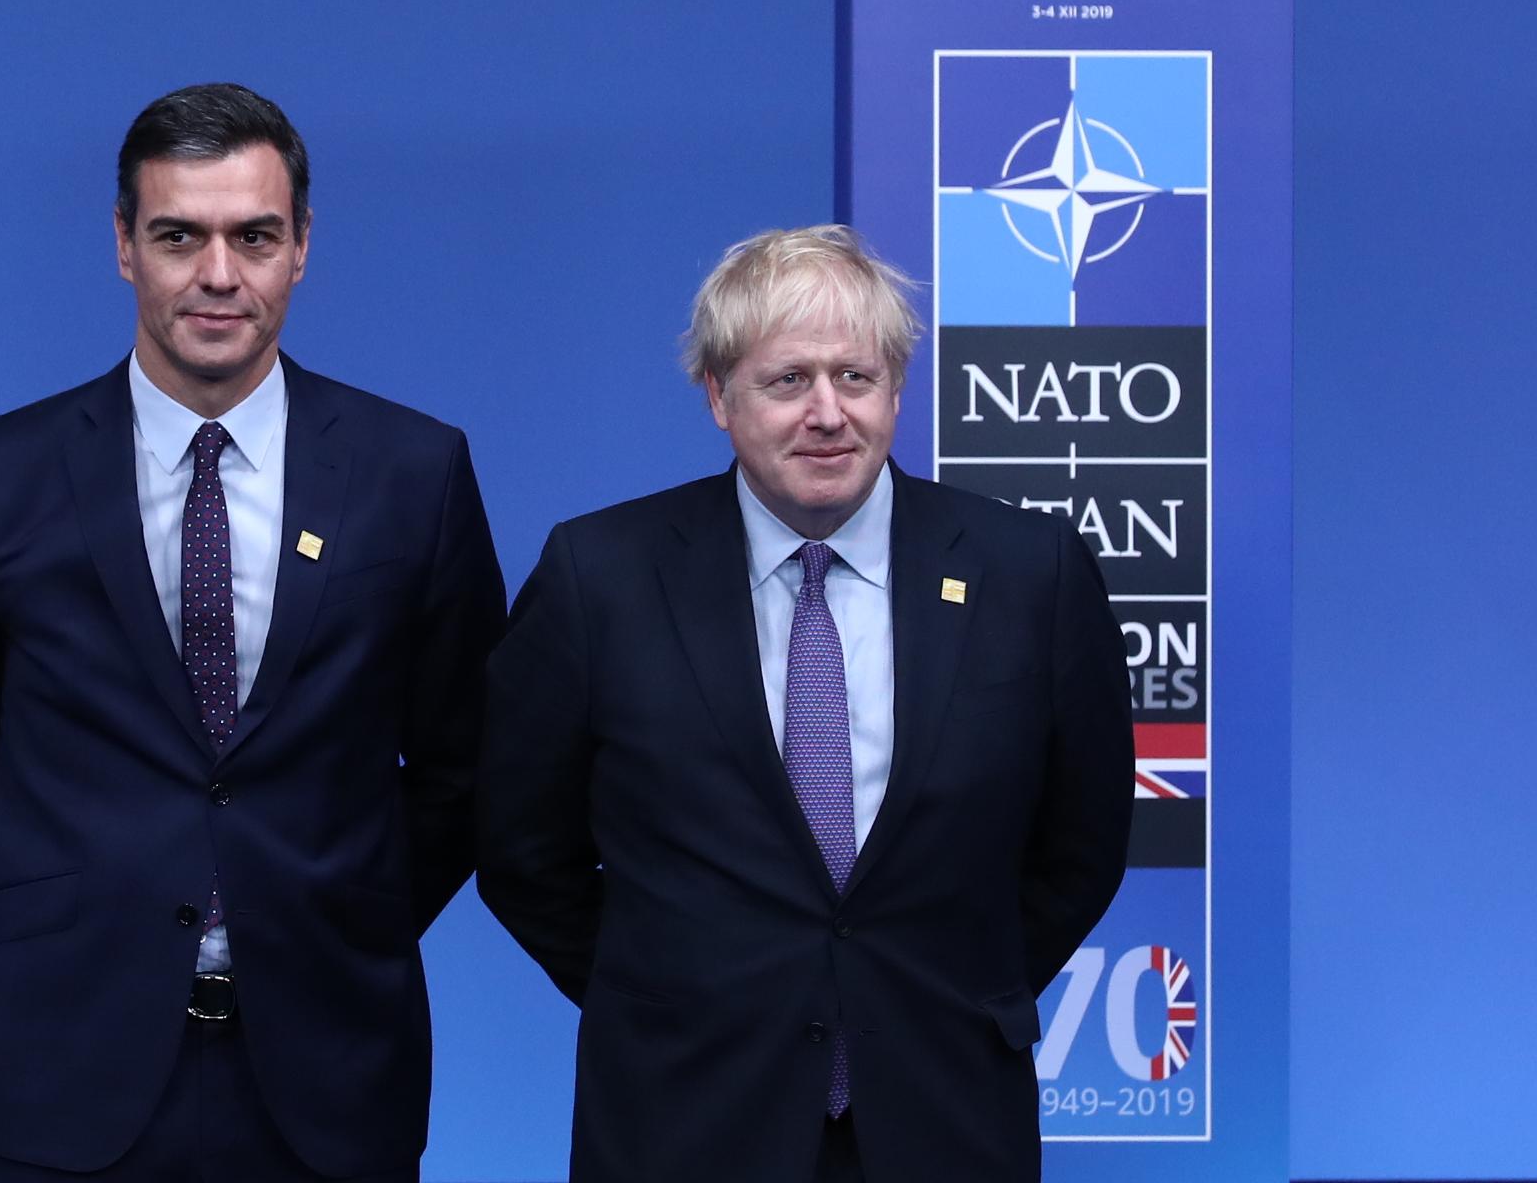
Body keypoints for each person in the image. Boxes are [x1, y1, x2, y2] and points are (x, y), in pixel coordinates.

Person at [0, 83, 507, 1183]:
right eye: (180, 234)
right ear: (125, 244)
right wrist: (74, 918)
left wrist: (328, 915)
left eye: (254, 235)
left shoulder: (416, 472)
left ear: (303, 246)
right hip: (61, 1072)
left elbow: (469, 768)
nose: (220, 273)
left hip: (329, 1075)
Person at [477, 226, 1130, 1183]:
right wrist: (669, 992)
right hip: (682, 1116)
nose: (828, 414)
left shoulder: (1031, 575)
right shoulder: (599, 576)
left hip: (946, 1114)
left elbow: (1082, 844)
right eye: (788, 382)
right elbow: (522, 847)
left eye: (855, 379)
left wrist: (943, 994)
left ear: (897, 389)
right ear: (718, 396)